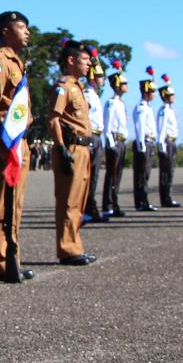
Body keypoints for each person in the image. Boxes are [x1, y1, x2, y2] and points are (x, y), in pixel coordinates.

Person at [0, 11, 35, 282]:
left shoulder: (17, 62)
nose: (27, 32)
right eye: (22, 27)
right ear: (5, 31)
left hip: (17, 143)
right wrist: (0, 143)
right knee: (1, 204)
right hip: (2, 142)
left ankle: (12, 257)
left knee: (16, 204)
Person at [49, 41, 97, 266]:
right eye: (85, 59)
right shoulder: (64, 87)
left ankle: (75, 245)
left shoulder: (78, 87)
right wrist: (60, 148)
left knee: (79, 200)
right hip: (71, 148)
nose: (89, 63)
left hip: (84, 148)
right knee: (69, 200)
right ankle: (67, 249)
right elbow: (54, 119)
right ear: (71, 60)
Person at [82, 49, 108, 223]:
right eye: (100, 77)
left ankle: (91, 208)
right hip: (91, 137)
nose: (103, 80)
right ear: (93, 77)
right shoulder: (87, 95)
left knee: (95, 175)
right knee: (88, 176)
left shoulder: (95, 96)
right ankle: (87, 209)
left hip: (98, 137)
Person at [101, 62, 129, 217]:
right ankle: (108, 205)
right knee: (111, 175)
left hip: (121, 141)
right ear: (117, 85)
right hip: (115, 141)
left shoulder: (120, 103)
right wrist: (111, 144)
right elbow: (108, 125)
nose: (126, 86)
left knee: (117, 175)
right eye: (124, 83)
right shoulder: (111, 103)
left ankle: (114, 202)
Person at [132, 73, 158, 211]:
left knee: (145, 174)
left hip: (149, 142)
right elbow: (139, 128)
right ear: (146, 92)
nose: (154, 94)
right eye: (152, 91)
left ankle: (144, 200)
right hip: (144, 143)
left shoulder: (147, 107)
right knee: (141, 175)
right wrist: (141, 146)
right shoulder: (141, 108)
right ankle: (141, 202)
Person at [156, 77, 181, 208]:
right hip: (167, 142)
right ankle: (165, 198)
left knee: (170, 171)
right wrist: (162, 147)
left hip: (172, 142)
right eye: (171, 95)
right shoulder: (164, 111)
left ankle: (168, 196)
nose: (174, 97)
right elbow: (161, 129)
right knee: (166, 172)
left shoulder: (169, 110)